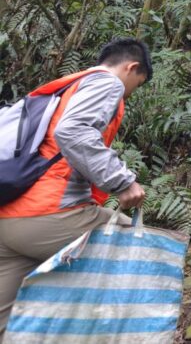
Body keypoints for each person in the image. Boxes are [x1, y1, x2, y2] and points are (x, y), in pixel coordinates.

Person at [0, 38, 151, 335]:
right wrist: (123, 181)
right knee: (141, 245)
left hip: (7, 217)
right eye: (138, 83)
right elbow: (73, 131)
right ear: (131, 67)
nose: (131, 92)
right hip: (47, 213)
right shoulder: (107, 84)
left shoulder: (65, 86)